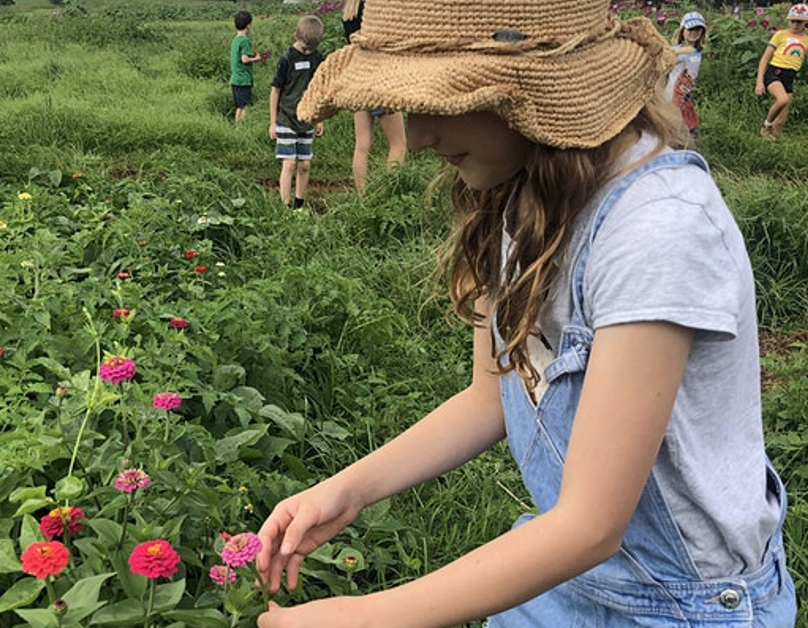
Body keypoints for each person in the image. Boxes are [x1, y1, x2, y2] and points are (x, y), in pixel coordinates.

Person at [255, 0, 797, 626]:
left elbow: (592, 525)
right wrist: (345, 490)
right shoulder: (519, 194)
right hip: (564, 570)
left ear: (533, 92)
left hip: (677, 605)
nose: (421, 135)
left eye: (443, 103)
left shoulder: (657, 230)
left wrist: (366, 616)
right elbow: (490, 398)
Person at [341, 0, 406, 194]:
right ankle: (389, 195)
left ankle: (363, 197)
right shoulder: (377, 8)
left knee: (362, 145)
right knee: (398, 143)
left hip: (358, 77)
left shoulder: (348, 10)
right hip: (380, 78)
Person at [269, 15, 326, 209]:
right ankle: (285, 207)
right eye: (304, 48)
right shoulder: (287, 58)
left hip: (307, 118)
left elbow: (318, 89)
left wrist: (319, 118)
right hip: (286, 118)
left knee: (304, 164)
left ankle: (299, 205)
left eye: (312, 48)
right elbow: (275, 90)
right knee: (290, 164)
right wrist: (273, 122)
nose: (308, 52)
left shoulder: (317, 58)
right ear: (296, 36)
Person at [755, 3, 808, 139]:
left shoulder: (806, 40)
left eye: (800, 21)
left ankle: (772, 146)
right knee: (782, 100)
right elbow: (765, 59)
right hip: (775, 73)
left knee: (780, 122)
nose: (795, 24)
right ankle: (766, 126)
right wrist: (759, 82)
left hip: (790, 77)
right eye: (793, 21)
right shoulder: (780, 35)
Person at [666, 12, 707, 141]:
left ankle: (687, 138)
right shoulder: (676, 50)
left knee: (687, 112)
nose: (694, 32)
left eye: (698, 29)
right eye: (690, 29)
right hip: (674, 89)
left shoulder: (697, 51)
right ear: (682, 30)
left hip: (687, 88)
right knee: (674, 113)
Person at [230, 10, 262, 124]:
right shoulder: (245, 40)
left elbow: (239, 57)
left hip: (235, 80)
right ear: (248, 25)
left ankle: (237, 128)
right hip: (243, 80)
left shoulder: (235, 40)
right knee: (245, 107)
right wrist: (256, 58)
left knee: (239, 107)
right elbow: (244, 59)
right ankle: (243, 128)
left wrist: (250, 55)